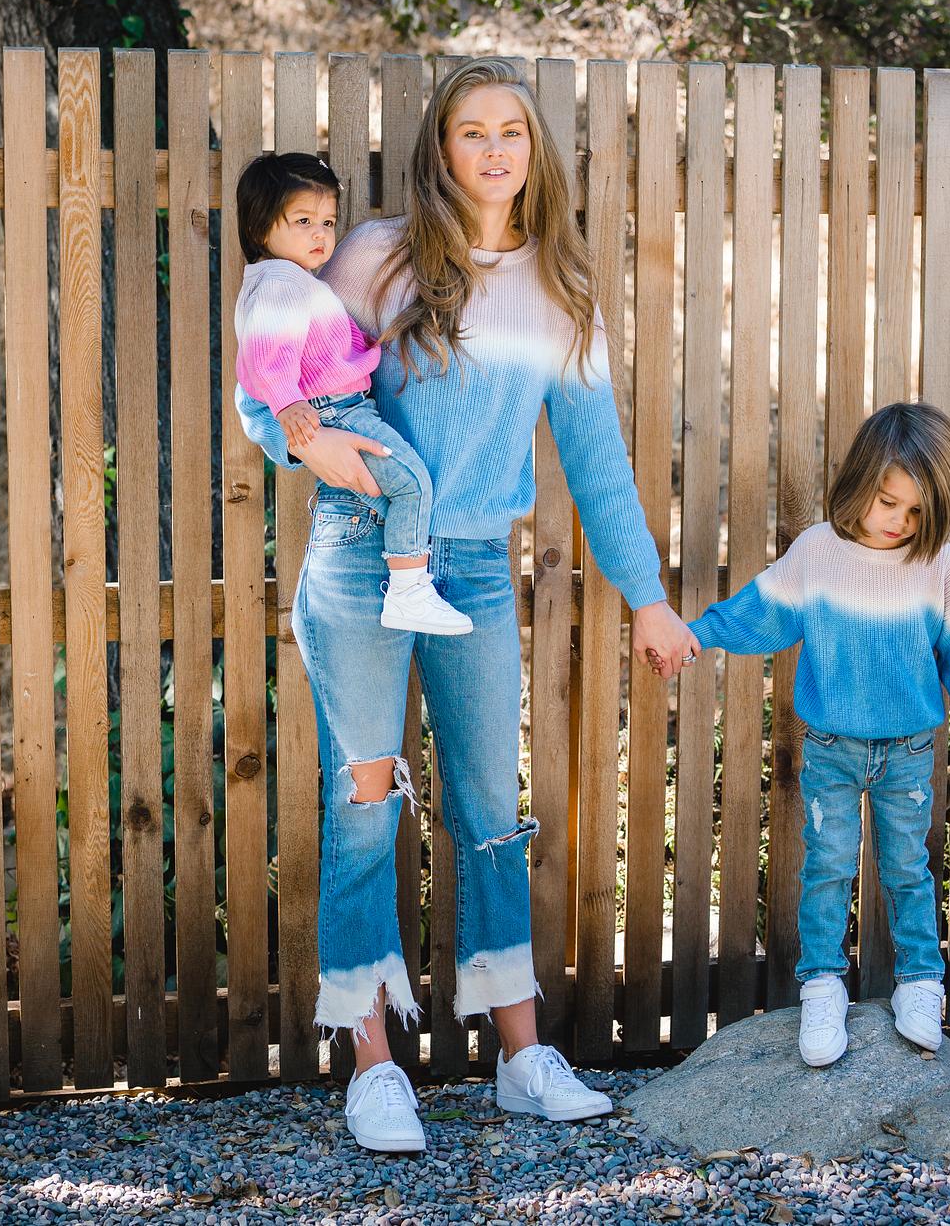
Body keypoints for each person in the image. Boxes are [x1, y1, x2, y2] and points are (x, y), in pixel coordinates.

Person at [235, 58, 700, 1152]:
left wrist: (648, 597)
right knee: (362, 802)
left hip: (478, 569)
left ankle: (521, 1057)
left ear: (532, 152)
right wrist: (330, 457)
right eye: (469, 132)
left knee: (493, 804)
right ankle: (372, 1066)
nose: (492, 149)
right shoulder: (372, 255)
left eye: (511, 132)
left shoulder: (558, 288)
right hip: (358, 555)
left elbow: (598, 465)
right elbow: (271, 390)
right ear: (438, 150)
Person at [685, 402, 950, 1067]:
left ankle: (920, 980)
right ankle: (822, 983)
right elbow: (761, 609)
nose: (899, 522)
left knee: (907, 868)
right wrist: (699, 634)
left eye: (915, 512)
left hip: (909, 749)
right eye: (889, 502)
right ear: (860, 482)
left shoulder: (934, 562)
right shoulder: (817, 553)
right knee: (827, 865)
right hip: (832, 747)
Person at [232, 151, 472, 635]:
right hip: (333, 412)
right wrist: (287, 403)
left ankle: (408, 583)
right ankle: (409, 590)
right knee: (411, 482)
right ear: (261, 229)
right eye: (303, 221)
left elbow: (320, 346)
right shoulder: (280, 282)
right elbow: (264, 352)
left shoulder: (297, 281)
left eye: (327, 221)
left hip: (338, 408)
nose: (320, 234)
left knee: (389, 491)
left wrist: (364, 345)